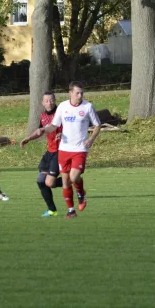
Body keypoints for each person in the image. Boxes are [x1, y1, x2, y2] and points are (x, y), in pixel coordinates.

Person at [39, 81, 101, 218]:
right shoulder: (63, 106)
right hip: (64, 149)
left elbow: (97, 125)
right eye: (77, 93)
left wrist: (91, 139)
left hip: (80, 148)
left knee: (74, 177)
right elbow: (54, 125)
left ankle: (81, 193)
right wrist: (44, 129)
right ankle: (71, 211)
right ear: (70, 93)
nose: (80, 95)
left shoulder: (88, 107)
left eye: (82, 93)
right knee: (66, 181)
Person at [21, 92, 63, 217]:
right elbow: (40, 131)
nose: (49, 103)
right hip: (49, 152)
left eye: (51, 100)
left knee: (49, 183)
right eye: (47, 101)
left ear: (55, 100)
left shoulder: (61, 113)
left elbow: (70, 128)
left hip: (60, 151)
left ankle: (71, 180)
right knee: (41, 181)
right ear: (42, 102)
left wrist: (62, 134)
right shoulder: (43, 116)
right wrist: (29, 138)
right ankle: (52, 210)